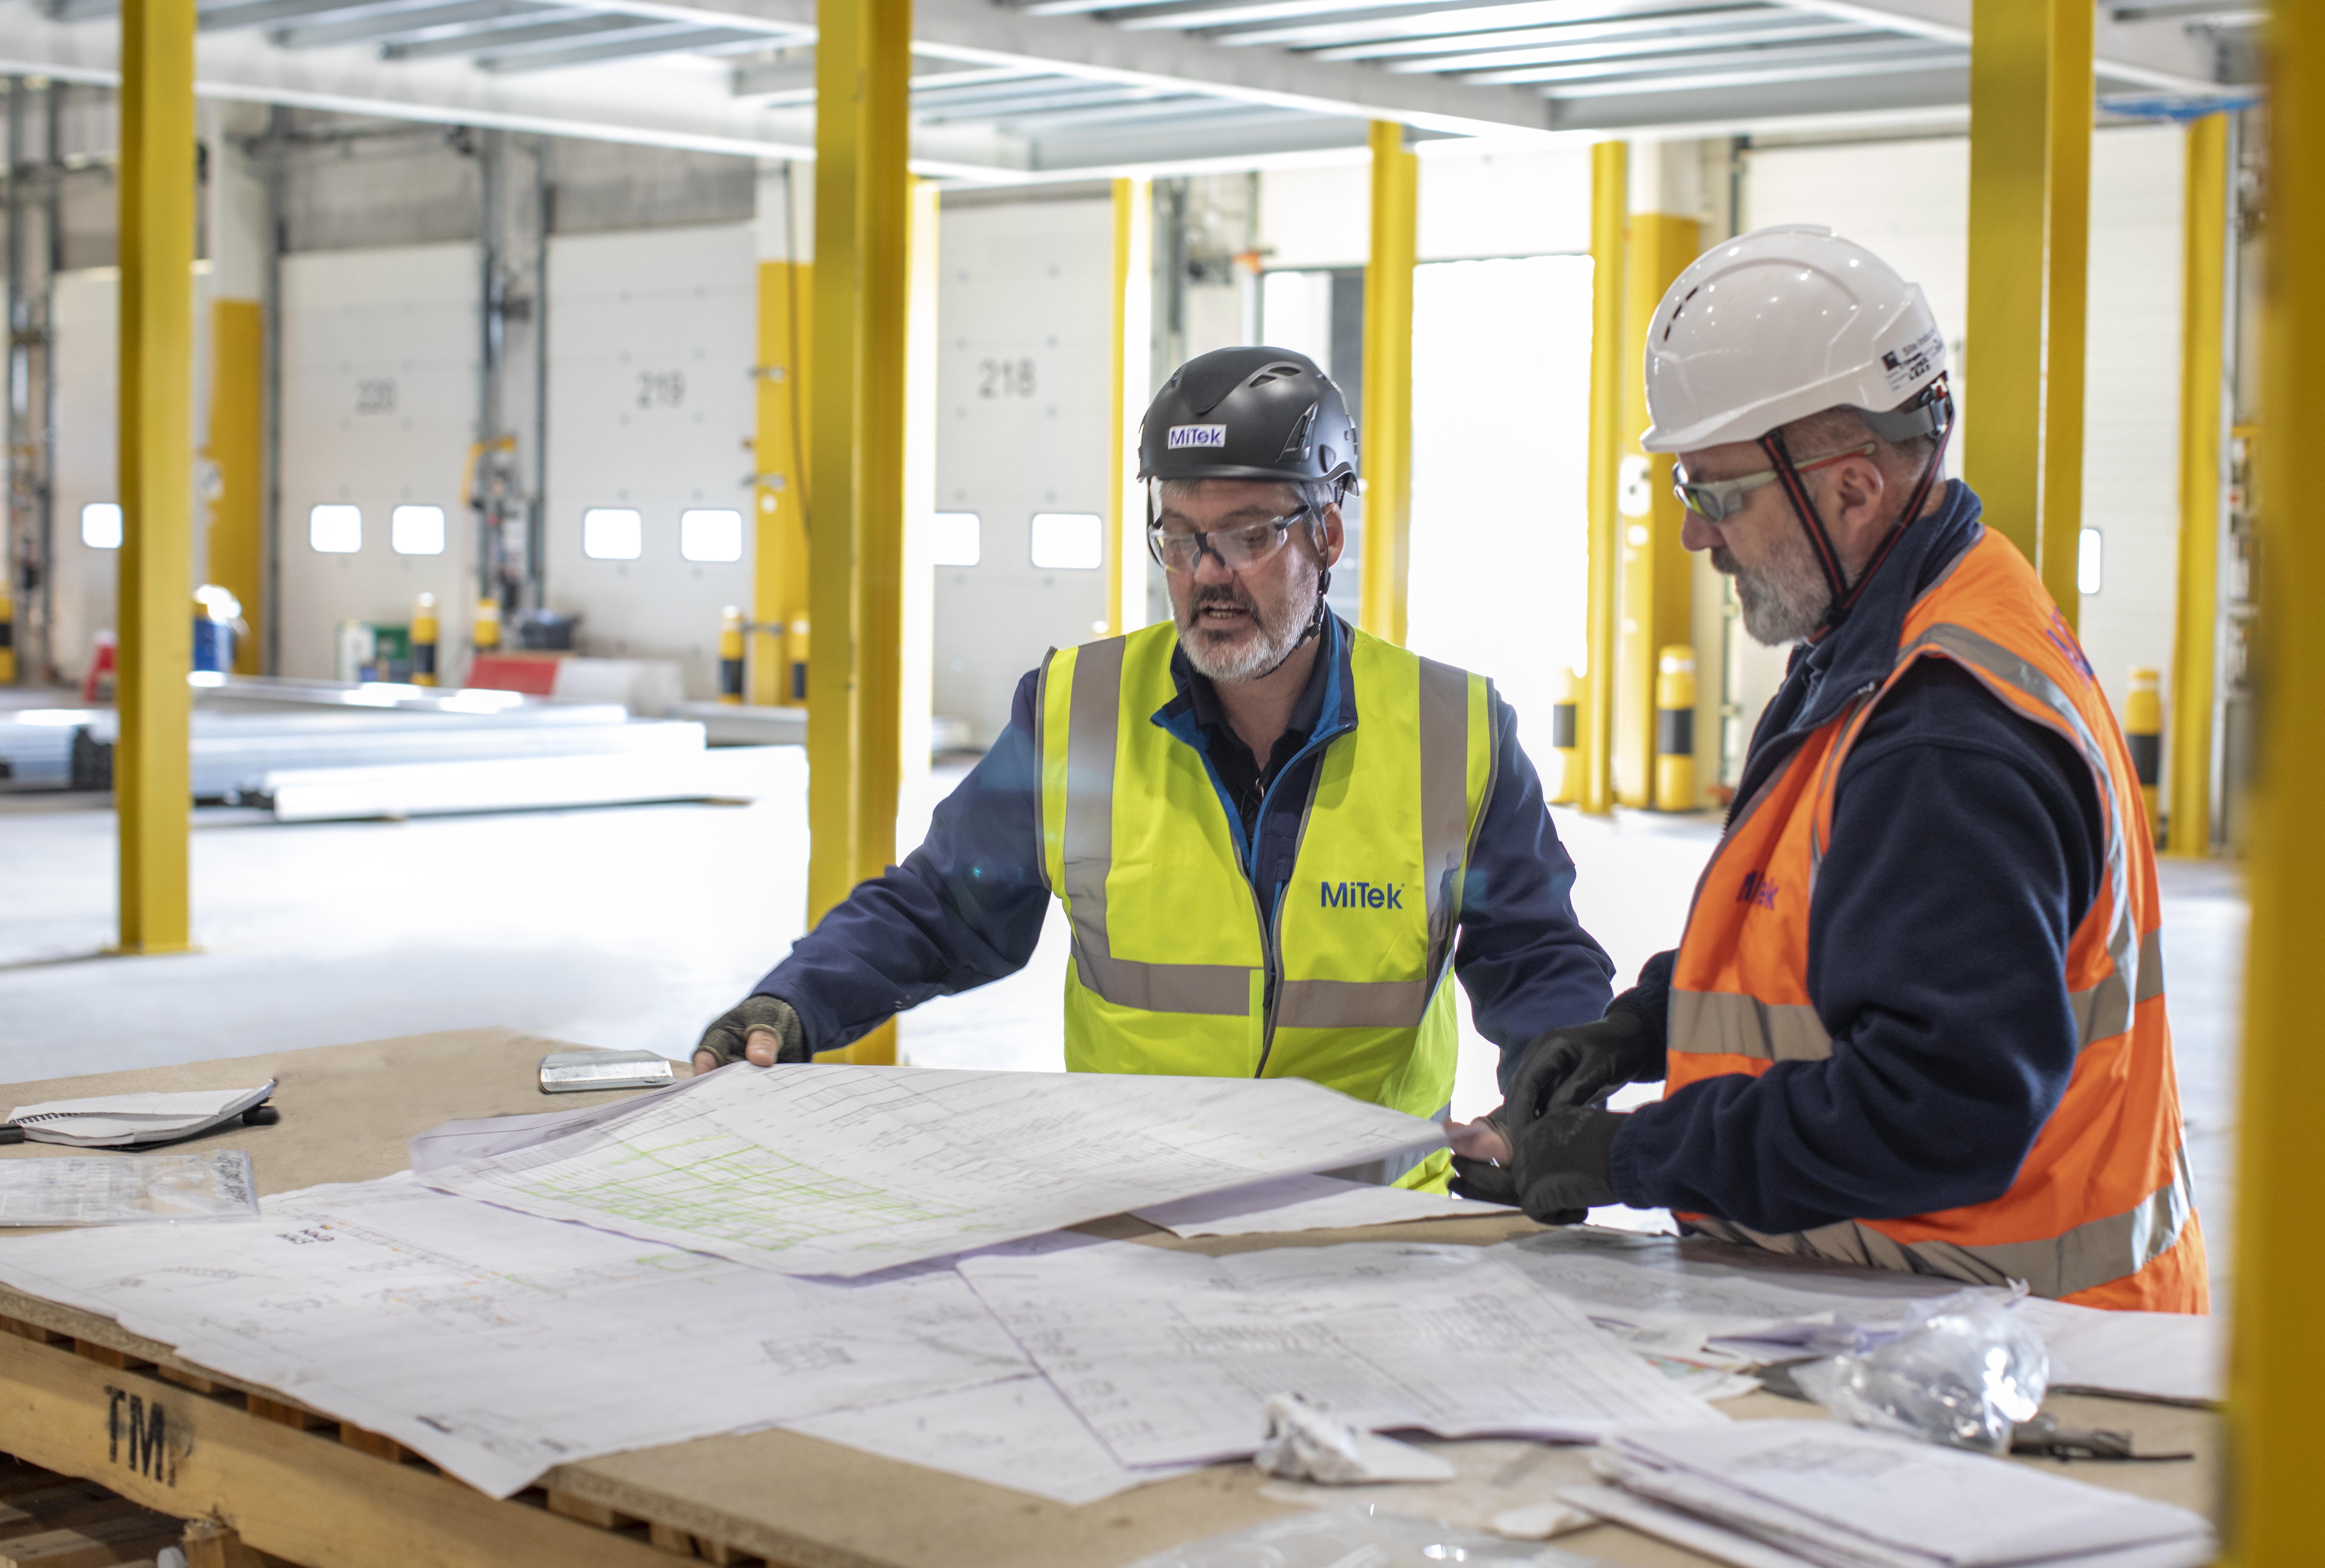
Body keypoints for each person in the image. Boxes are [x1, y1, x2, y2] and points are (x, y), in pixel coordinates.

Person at [1452, 226, 2206, 1311]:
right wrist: (1642, 1027)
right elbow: (1826, 933)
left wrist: (1629, 1157)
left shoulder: (1943, 732)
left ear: (1851, 490)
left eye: (1714, 496)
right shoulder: (1904, 626)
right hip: (1934, 1312)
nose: (1693, 540)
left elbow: (1937, 1107)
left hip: (2000, 1344)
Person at [694, 345, 1614, 1189]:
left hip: (1370, 1216)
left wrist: (1543, 1113)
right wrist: (794, 1000)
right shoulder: (1076, 711)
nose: (1207, 574)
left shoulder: (1453, 731)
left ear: (1328, 534)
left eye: (1249, 536)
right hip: (1133, 1203)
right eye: (1179, 538)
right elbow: (941, 908)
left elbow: (1534, 954)